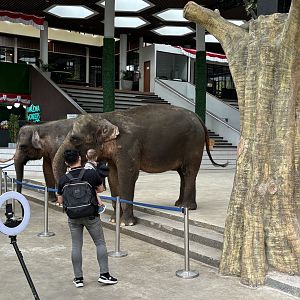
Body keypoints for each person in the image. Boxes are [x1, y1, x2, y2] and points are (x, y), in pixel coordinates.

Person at [56, 149, 117, 288]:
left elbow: (60, 200)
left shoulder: (63, 179)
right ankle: (104, 275)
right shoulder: (90, 174)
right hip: (91, 215)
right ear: (80, 157)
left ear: (66, 162)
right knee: (100, 243)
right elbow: (101, 190)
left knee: (76, 246)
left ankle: (78, 279)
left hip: (73, 217)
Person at [84, 148, 106, 213]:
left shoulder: (85, 167)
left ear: (86, 156)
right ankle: (100, 204)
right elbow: (101, 189)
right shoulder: (96, 166)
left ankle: (100, 204)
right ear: (96, 157)